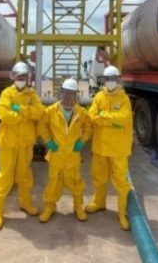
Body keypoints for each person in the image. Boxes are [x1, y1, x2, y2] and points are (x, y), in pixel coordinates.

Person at [0, 61, 45, 231]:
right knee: (5, 177)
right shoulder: (7, 94)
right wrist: (25, 115)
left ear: (28, 78)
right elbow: (3, 114)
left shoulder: (32, 94)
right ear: (13, 77)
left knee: (24, 174)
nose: (21, 79)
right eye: (19, 76)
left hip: (25, 143)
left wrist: (20, 109)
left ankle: (25, 203)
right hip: (8, 143)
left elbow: (39, 112)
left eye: (24, 76)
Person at [38, 78, 92, 223]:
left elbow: (89, 127)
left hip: (73, 157)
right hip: (56, 156)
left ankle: (78, 207)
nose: (68, 97)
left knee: (76, 183)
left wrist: (82, 141)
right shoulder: (50, 111)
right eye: (66, 93)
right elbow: (41, 126)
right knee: (53, 184)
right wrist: (48, 141)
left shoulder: (82, 113)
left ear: (76, 95)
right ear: (61, 93)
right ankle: (49, 207)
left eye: (72, 94)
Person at [86, 65, 133, 230]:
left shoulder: (124, 99)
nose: (110, 82)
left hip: (118, 149)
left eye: (113, 79)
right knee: (98, 177)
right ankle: (99, 202)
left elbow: (124, 119)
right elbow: (92, 116)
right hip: (100, 147)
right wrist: (113, 122)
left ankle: (122, 213)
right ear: (103, 80)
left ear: (118, 79)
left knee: (121, 181)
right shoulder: (99, 97)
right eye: (107, 79)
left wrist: (104, 116)